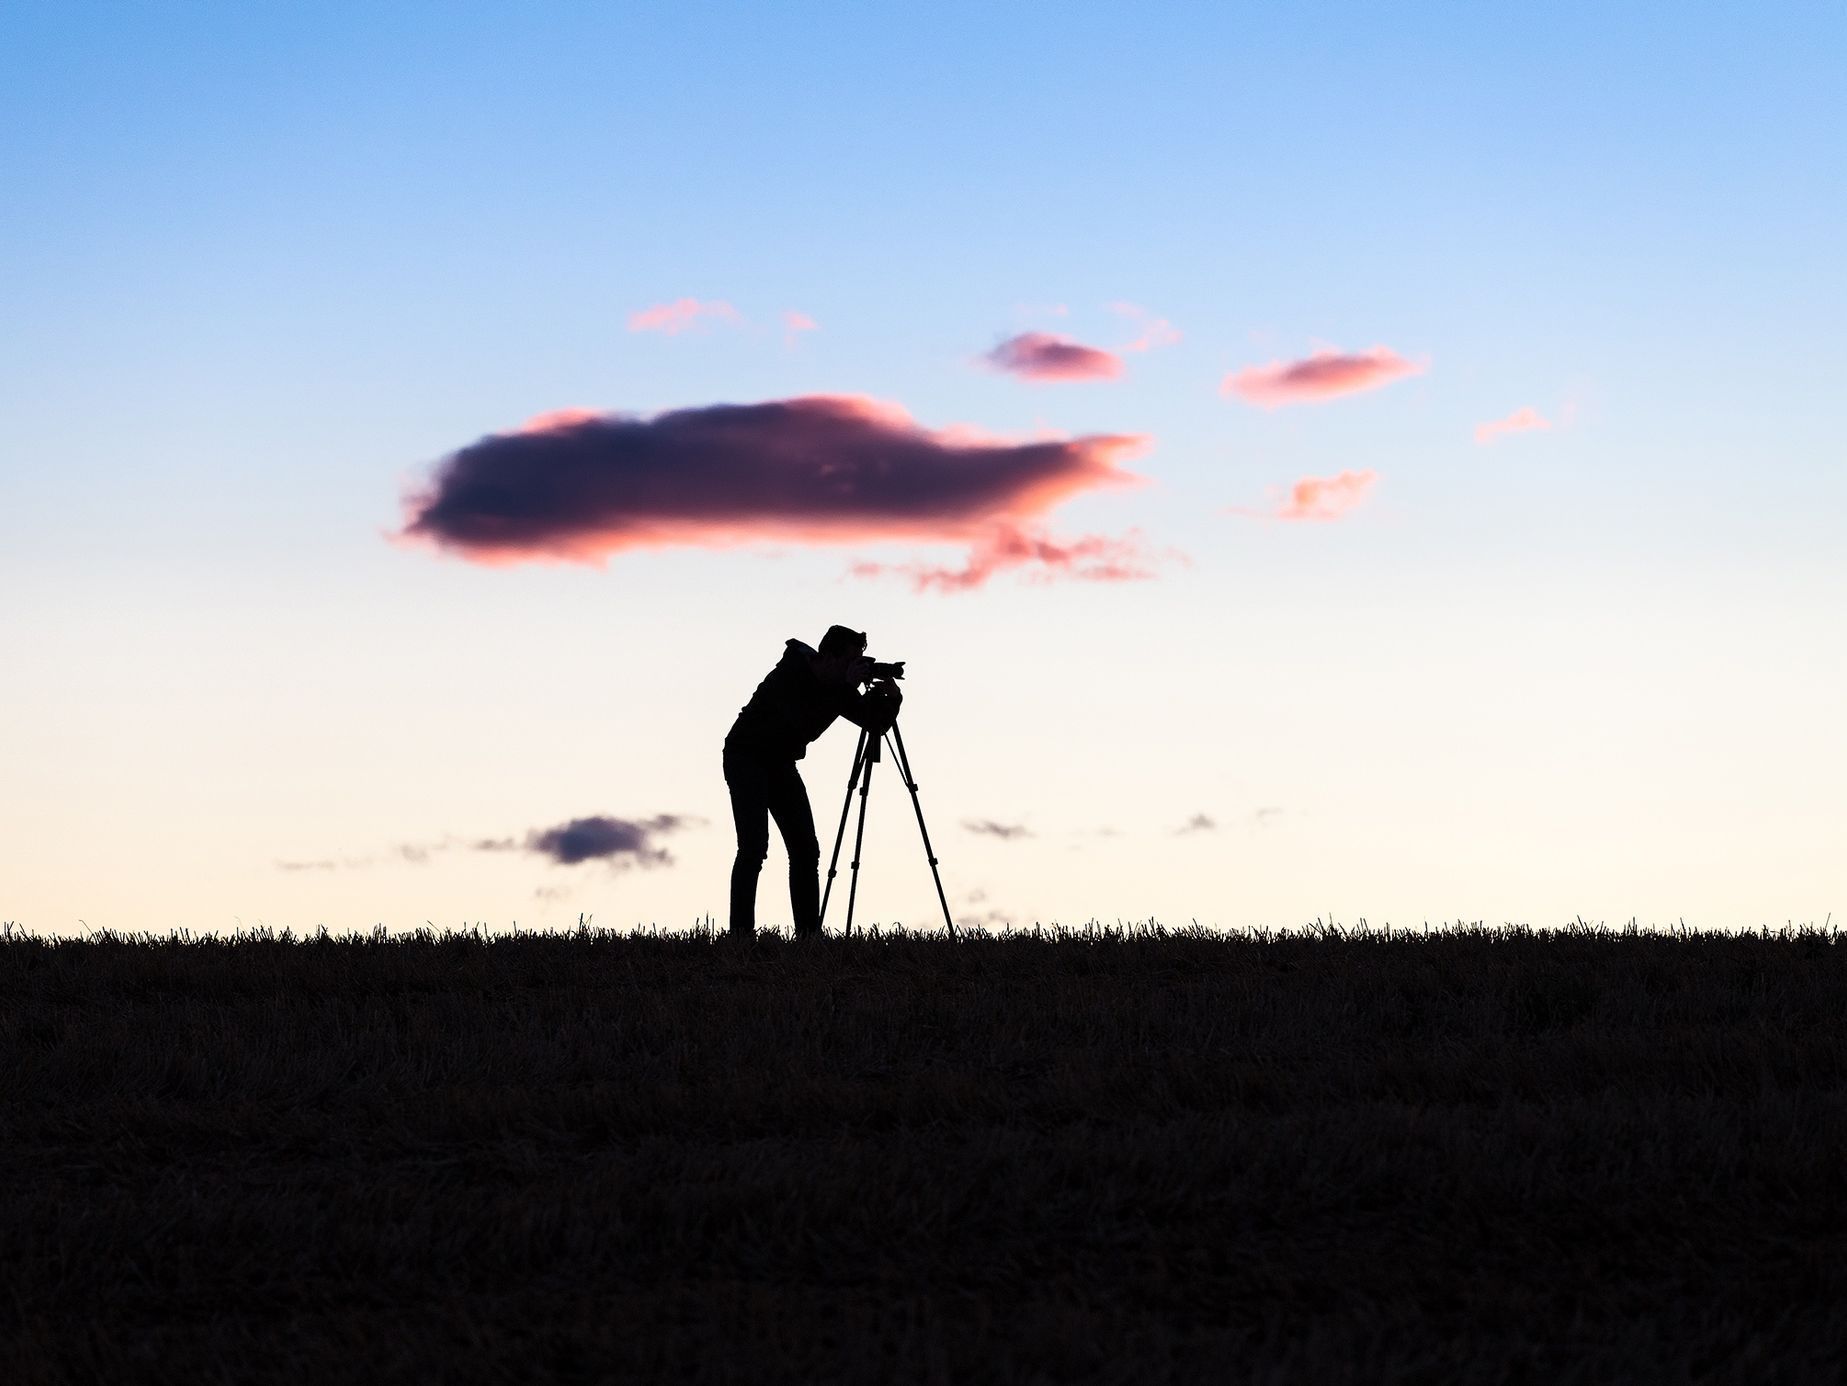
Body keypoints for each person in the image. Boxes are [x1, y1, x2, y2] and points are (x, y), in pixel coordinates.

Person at [723, 625, 902, 939]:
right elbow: (804, 729)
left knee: (806, 850)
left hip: (779, 761)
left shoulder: (838, 686)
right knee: (753, 847)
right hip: (746, 756)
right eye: (850, 660)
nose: (853, 669)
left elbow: (874, 723)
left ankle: (808, 937)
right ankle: (740, 936)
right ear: (829, 657)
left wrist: (892, 700)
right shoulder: (789, 673)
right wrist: (846, 689)